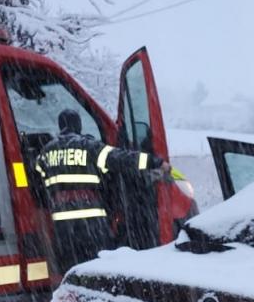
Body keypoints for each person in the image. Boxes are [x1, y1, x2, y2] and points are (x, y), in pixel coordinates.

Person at [33, 110, 169, 274]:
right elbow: (121, 158)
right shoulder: (88, 146)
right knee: (97, 270)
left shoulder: (46, 152)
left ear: (60, 125)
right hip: (91, 224)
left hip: (63, 226)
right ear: (79, 125)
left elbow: (38, 183)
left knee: (71, 270)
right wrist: (155, 162)